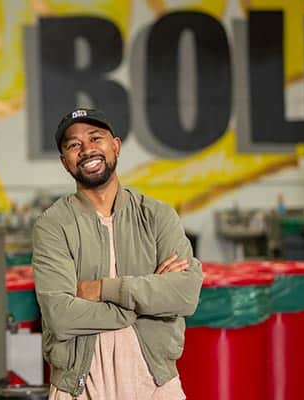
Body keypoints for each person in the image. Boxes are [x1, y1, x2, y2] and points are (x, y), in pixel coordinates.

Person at [32, 108, 202, 399]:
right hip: (79, 387)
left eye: (95, 138)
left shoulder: (158, 215)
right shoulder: (53, 225)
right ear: (65, 162)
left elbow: (185, 294)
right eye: (74, 145)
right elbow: (61, 316)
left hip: (155, 383)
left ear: (116, 146)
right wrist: (143, 304)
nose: (86, 150)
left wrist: (102, 289)